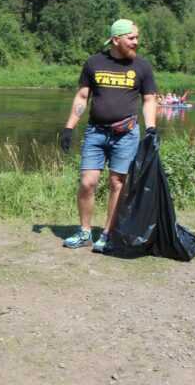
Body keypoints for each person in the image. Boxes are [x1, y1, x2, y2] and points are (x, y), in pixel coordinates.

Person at [59, 19, 157, 253]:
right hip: (96, 133)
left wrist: (151, 128)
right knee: (87, 182)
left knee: (117, 184)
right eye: (131, 38)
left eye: (136, 37)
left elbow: (150, 99)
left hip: (126, 134)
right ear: (116, 39)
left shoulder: (142, 66)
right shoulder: (94, 63)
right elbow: (83, 97)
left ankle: (107, 234)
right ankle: (84, 232)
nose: (136, 42)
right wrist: (69, 127)